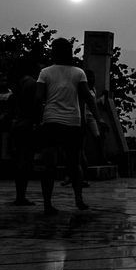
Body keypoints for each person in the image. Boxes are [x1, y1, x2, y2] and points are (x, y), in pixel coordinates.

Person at [37, 38, 97, 214]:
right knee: (74, 163)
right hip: (73, 123)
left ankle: (47, 204)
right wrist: (98, 118)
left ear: (54, 52)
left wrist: (37, 120)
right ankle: (79, 200)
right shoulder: (78, 73)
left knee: (49, 165)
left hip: (51, 122)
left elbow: (38, 98)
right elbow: (88, 97)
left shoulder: (45, 73)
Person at [9, 56, 42, 206]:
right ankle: (21, 196)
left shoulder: (18, 83)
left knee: (19, 160)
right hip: (27, 124)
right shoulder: (32, 84)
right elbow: (35, 105)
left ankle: (19, 195)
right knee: (26, 160)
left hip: (17, 123)